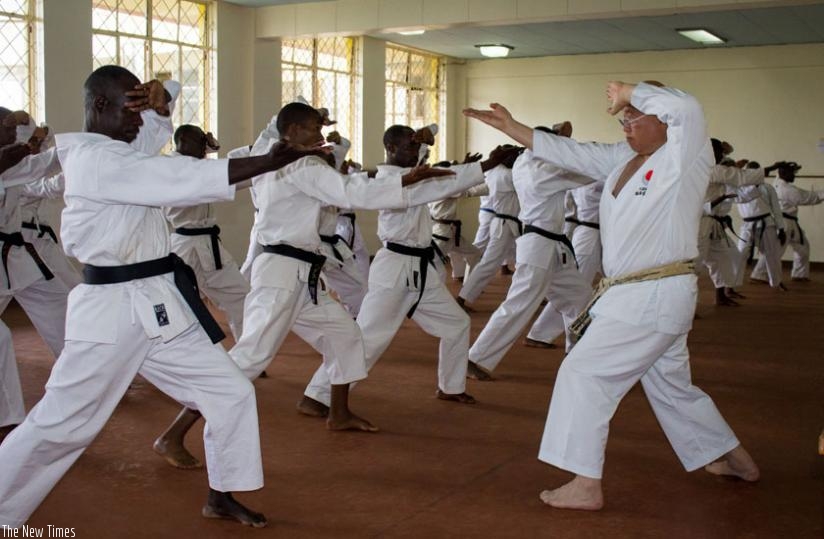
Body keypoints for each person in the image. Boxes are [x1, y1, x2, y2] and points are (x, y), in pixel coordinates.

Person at [0, 65, 322, 529]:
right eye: (128, 108)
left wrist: (160, 98)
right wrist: (269, 161)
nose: (138, 120)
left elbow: (151, 136)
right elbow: (181, 176)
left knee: (230, 391)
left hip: (159, 302)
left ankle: (221, 493)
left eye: (139, 107)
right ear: (97, 106)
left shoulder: (117, 147)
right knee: (64, 424)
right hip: (111, 309)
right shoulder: (97, 160)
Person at [464, 80, 759, 510]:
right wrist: (514, 127)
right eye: (624, 118)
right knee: (672, 388)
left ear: (663, 120)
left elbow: (689, 108)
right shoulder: (623, 157)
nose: (627, 124)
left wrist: (631, 90)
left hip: (652, 295)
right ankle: (730, 457)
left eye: (636, 116)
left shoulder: (686, 156)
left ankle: (585, 483)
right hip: (639, 295)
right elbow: (571, 152)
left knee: (582, 374)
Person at [156, 106, 461, 463]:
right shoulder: (300, 164)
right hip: (282, 274)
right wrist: (406, 180)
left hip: (303, 275)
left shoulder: (279, 158)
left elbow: (343, 186)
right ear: (295, 129)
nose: (321, 133)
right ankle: (173, 435)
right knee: (251, 357)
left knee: (346, 337)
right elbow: (349, 193)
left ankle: (339, 413)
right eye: (315, 127)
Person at [300, 126, 520, 413]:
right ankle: (316, 395)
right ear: (390, 148)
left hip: (420, 269)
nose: (415, 153)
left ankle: (451, 386)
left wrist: (426, 136)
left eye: (416, 149)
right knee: (368, 338)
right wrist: (488, 164)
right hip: (394, 269)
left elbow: (434, 166)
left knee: (457, 324)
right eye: (408, 148)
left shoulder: (411, 172)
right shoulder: (391, 180)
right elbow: (440, 186)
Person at [466, 124, 593, 375]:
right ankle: (475, 358)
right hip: (539, 246)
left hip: (552, 247)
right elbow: (585, 171)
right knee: (518, 305)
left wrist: (557, 137)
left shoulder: (527, 162)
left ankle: (580, 352)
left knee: (581, 300)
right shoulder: (541, 169)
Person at [163, 124, 250, 340]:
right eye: (199, 141)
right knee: (178, 304)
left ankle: (247, 353)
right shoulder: (172, 166)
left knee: (241, 296)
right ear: (182, 141)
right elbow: (222, 175)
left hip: (209, 247)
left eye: (204, 141)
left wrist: (211, 147)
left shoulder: (194, 163)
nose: (204, 145)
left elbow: (212, 167)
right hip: (185, 247)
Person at [457, 147, 522, 308]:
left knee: (527, 260)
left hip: (508, 224)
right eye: (515, 157)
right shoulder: (506, 175)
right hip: (503, 225)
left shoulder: (496, 172)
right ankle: (463, 297)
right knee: (488, 263)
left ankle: (536, 293)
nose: (516, 160)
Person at [751, 161, 824, 282]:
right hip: (783, 222)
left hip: (789, 221)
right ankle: (759, 274)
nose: (794, 175)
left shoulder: (779, 183)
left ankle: (800, 274)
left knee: (803, 248)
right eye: (792, 173)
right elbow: (807, 197)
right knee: (775, 250)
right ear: (783, 173)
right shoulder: (786, 189)